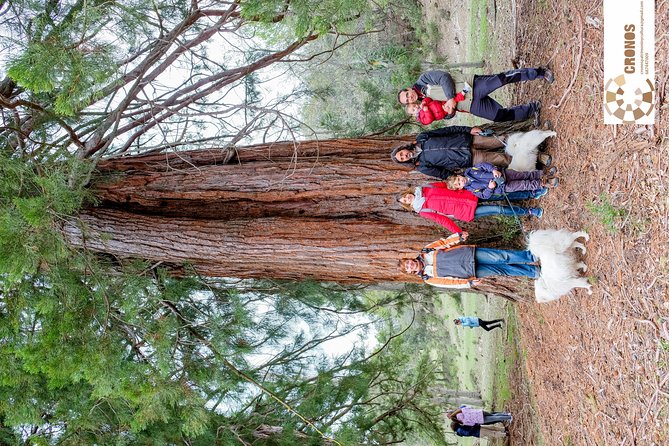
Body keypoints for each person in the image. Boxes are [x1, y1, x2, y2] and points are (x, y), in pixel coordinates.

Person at [398, 67, 554, 122]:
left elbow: (444, 77)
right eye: (407, 101)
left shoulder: (424, 80)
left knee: (503, 79)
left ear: (408, 89)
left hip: (471, 86)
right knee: (498, 116)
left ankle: (540, 72)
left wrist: (451, 98)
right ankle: (532, 108)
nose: (409, 98)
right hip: (468, 104)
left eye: (407, 95)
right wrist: (449, 113)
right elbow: (444, 115)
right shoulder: (422, 105)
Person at [398, 232, 540, 289]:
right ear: (410, 272)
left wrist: (458, 237)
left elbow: (444, 243)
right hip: (469, 271)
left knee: (502, 257)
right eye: (408, 267)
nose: (410, 264)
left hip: (469, 254)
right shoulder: (428, 278)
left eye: (408, 262)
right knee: (502, 270)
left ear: (410, 259)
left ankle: (531, 257)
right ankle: (533, 271)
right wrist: (468, 283)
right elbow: (450, 283)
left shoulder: (426, 251)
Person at [398, 183, 542, 234]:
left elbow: (448, 184)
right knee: (499, 210)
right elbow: (442, 220)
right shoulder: (423, 210)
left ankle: (531, 193)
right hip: (464, 211)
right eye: (405, 201)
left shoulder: (426, 187)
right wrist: (458, 232)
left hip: (469, 195)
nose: (407, 198)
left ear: (408, 192)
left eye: (405, 196)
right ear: (408, 205)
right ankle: (529, 211)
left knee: (499, 194)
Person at [446, 162, 559, 200]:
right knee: (523, 185)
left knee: (524, 174)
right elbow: (484, 195)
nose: (461, 181)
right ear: (460, 188)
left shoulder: (471, 170)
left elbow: (484, 165)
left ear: (459, 175)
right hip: (503, 187)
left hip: (504, 174)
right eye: (459, 184)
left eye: (459, 179)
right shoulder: (472, 189)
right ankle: (544, 183)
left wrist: (493, 170)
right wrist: (490, 188)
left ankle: (543, 174)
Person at [448, 406, 513, 426]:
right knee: (493, 415)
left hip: (481, 420)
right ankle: (507, 415)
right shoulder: (461, 410)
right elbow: (469, 407)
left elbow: (473, 424)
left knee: (495, 418)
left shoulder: (463, 422)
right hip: (480, 412)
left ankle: (509, 417)